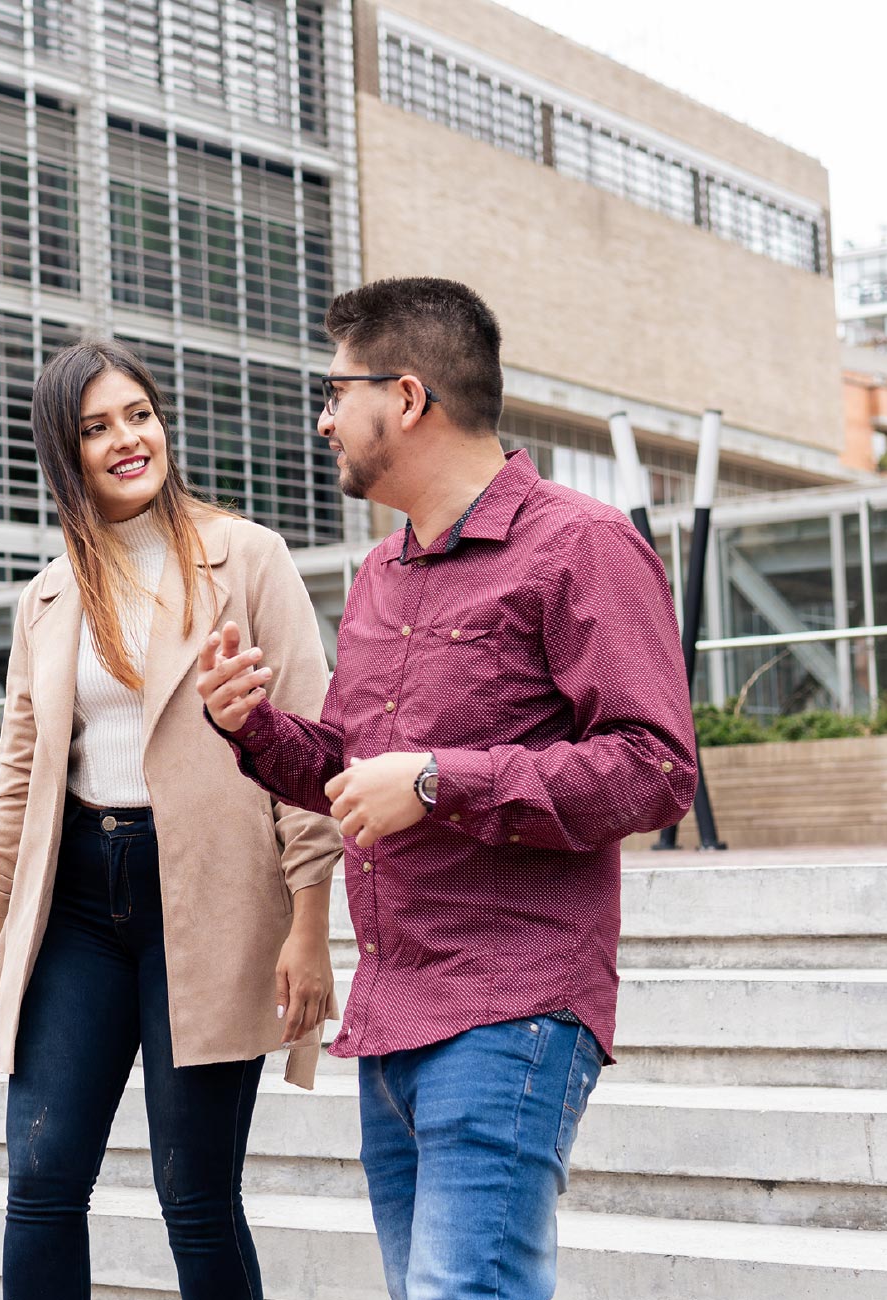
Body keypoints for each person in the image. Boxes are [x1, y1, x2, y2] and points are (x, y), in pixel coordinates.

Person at [195, 277, 698, 1300]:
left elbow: (655, 768)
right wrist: (251, 725)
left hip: (511, 1009)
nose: (324, 417)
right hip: (394, 1017)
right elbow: (349, 768)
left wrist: (437, 780)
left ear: (410, 397)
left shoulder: (583, 546)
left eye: (337, 390)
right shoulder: (383, 573)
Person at [0, 338, 342, 1300]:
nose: (127, 439)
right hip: (76, 900)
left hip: (206, 896)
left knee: (195, 1193)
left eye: (139, 415)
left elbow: (315, 749)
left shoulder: (246, 557)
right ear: (63, 452)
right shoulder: (48, 595)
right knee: (38, 1183)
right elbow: (18, 783)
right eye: (95, 427)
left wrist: (312, 922)